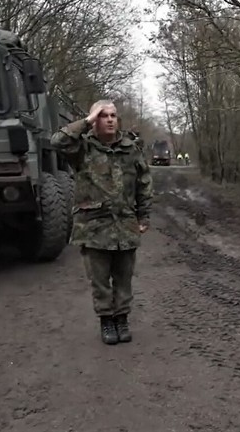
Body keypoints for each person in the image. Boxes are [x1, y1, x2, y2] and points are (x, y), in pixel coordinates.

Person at [50, 99, 153, 345]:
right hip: (93, 226)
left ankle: (122, 319)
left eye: (113, 115)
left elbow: (144, 183)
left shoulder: (131, 148)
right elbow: (57, 142)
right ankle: (107, 321)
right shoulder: (82, 149)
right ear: (95, 119)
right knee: (99, 280)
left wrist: (144, 215)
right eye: (102, 115)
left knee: (124, 278)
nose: (109, 119)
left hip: (125, 224)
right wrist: (85, 121)